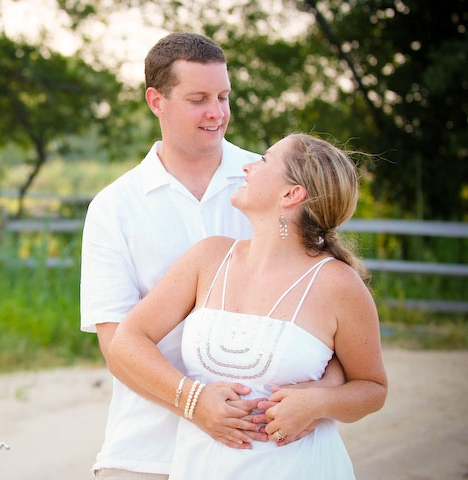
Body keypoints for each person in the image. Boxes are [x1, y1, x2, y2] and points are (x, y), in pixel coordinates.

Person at [80, 33, 344, 479]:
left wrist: (319, 398)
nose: (217, 113)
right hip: (145, 450)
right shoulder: (114, 207)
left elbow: (324, 312)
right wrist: (194, 401)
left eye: (223, 97)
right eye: (199, 98)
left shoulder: (267, 183)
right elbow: (117, 345)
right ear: (156, 101)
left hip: (260, 450)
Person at [111, 133, 388, 479]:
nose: (247, 166)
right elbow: (128, 339)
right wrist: (192, 398)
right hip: (201, 468)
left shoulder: (338, 284)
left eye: (264, 160)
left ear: (291, 194)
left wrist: (319, 403)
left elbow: (372, 388)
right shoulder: (209, 258)